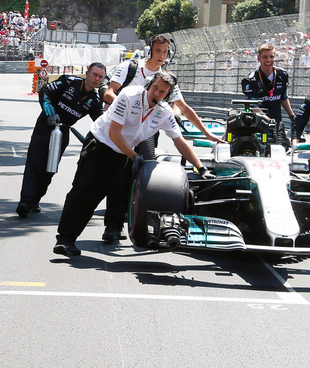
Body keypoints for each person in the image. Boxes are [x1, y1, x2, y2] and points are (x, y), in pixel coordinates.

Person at [54, 71, 206, 257]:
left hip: (122, 153)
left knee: (104, 195)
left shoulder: (164, 112)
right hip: (100, 144)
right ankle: (64, 239)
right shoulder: (128, 95)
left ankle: (93, 233)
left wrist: (201, 167)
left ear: (167, 95)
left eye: (162, 92)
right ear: (149, 84)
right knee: (82, 191)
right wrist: (134, 156)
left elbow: (180, 141)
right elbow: (114, 134)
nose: (156, 93)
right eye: (155, 88)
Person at [100, 35, 221, 242]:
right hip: (121, 127)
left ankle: (140, 221)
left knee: (144, 175)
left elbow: (184, 109)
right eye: (158, 51)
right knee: (118, 177)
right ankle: (113, 226)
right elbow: (109, 93)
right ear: (150, 51)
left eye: (165, 52)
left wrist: (207, 134)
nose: (161, 55)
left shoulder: (167, 80)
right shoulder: (130, 67)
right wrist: (129, 109)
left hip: (145, 132)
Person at [16, 62, 107, 218]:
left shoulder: (95, 99)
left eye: (100, 77)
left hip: (62, 132)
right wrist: (49, 111)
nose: (96, 79)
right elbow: (45, 90)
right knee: (34, 163)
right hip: (45, 126)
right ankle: (25, 202)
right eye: (94, 75)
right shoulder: (69, 81)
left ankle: (35, 199)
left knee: (49, 169)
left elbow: (101, 122)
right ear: (87, 73)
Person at [240, 43, 295, 149]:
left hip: (276, 121)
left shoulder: (282, 75)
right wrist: (267, 120)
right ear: (259, 58)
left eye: (271, 57)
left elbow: (283, 97)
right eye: (265, 57)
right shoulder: (250, 79)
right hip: (256, 122)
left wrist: (292, 117)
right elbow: (252, 105)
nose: (268, 60)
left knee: (282, 148)